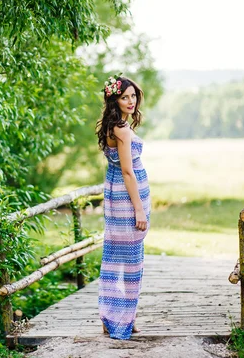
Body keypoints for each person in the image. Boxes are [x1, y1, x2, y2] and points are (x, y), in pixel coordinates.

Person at [95, 74, 151, 340]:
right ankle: (121, 319)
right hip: (127, 200)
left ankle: (121, 316)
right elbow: (128, 172)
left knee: (120, 258)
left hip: (118, 195)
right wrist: (139, 209)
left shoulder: (115, 126)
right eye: (124, 96)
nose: (131, 101)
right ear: (114, 100)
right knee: (130, 262)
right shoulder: (121, 129)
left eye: (133, 96)